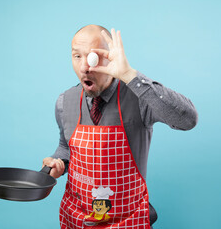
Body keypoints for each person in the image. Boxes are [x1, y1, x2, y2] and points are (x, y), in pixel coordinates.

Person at [42, 25, 198, 229]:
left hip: (127, 221)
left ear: (110, 57)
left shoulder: (140, 98)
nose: (84, 67)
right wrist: (58, 163)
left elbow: (188, 119)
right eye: (77, 56)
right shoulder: (65, 101)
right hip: (78, 220)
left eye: (91, 57)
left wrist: (131, 76)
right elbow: (66, 146)